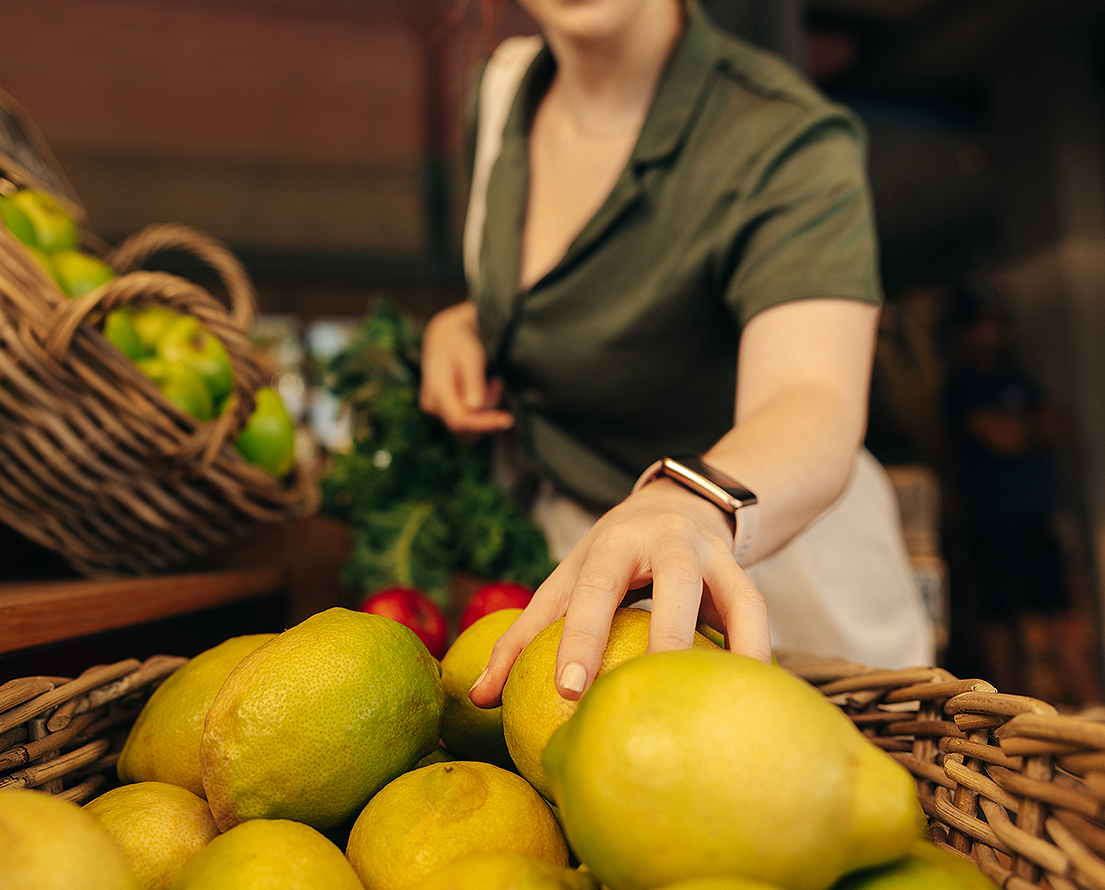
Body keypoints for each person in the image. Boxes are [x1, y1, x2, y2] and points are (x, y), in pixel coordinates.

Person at [420, 0, 935, 707]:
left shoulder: (784, 135)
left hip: (774, 577)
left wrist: (691, 503)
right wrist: (476, 320)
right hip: (585, 581)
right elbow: (562, 285)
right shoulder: (502, 88)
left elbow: (811, 396)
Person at [944, 296, 1102, 705]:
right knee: (999, 621)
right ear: (964, 333)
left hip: (1036, 518)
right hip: (991, 523)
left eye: (997, 323)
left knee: (1061, 615)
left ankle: (1094, 713)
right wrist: (1033, 425)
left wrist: (1021, 427)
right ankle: (1007, 714)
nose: (992, 333)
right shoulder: (962, 386)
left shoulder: (1019, 378)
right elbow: (1002, 438)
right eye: (982, 324)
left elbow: (1064, 424)